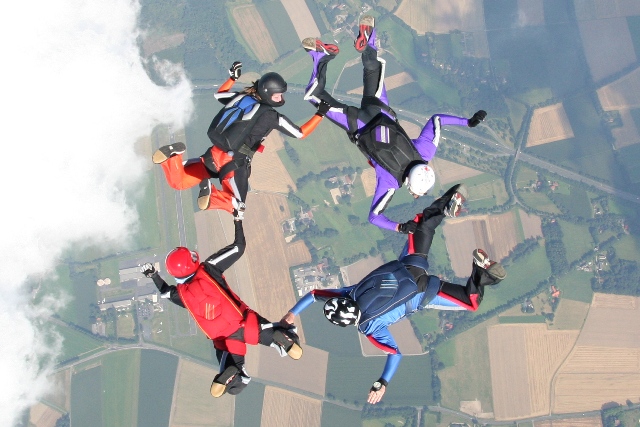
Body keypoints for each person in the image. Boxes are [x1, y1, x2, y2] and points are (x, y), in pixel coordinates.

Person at [281, 184, 506, 404]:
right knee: (423, 224)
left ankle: (481, 271)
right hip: (410, 264)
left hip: (423, 292)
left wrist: (382, 382)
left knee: (470, 302)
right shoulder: (350, 293)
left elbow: (395, 354)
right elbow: (314, 294)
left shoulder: (369, 328)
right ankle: (448, 203)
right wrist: (291, 314)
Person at [301, 16, 487, 232]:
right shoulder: (390, 181)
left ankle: (369, 35)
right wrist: (399, 227)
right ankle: (320, 56)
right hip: (357, 124)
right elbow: (374, 217)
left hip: (380, 110)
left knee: (371, 68)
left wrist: (469, 122)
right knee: (314, 95)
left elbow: (438, 119)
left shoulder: (424, 152)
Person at [140, 219, 302, 397]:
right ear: (190, 262)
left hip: (224, 340)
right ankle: (282, 338)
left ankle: (233, 373)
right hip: (244, 323)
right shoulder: (208, 269)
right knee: (283, 333)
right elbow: (239, 247)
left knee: (236, 382)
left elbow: (165, 292)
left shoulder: (182, 295)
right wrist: (238, 219)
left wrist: (154, 276)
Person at [152, 62, 330, 219]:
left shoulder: (243, 98)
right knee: (238, 207)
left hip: (213, 154)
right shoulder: (270, 116)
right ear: (267, 94)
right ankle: (212, 196)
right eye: (277, 95)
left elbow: (220, 94)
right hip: (233, 164)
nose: (281, 98)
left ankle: (172, 158)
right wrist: (321, 113)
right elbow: (300, 133)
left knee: (179, 182)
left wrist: (232, 78)